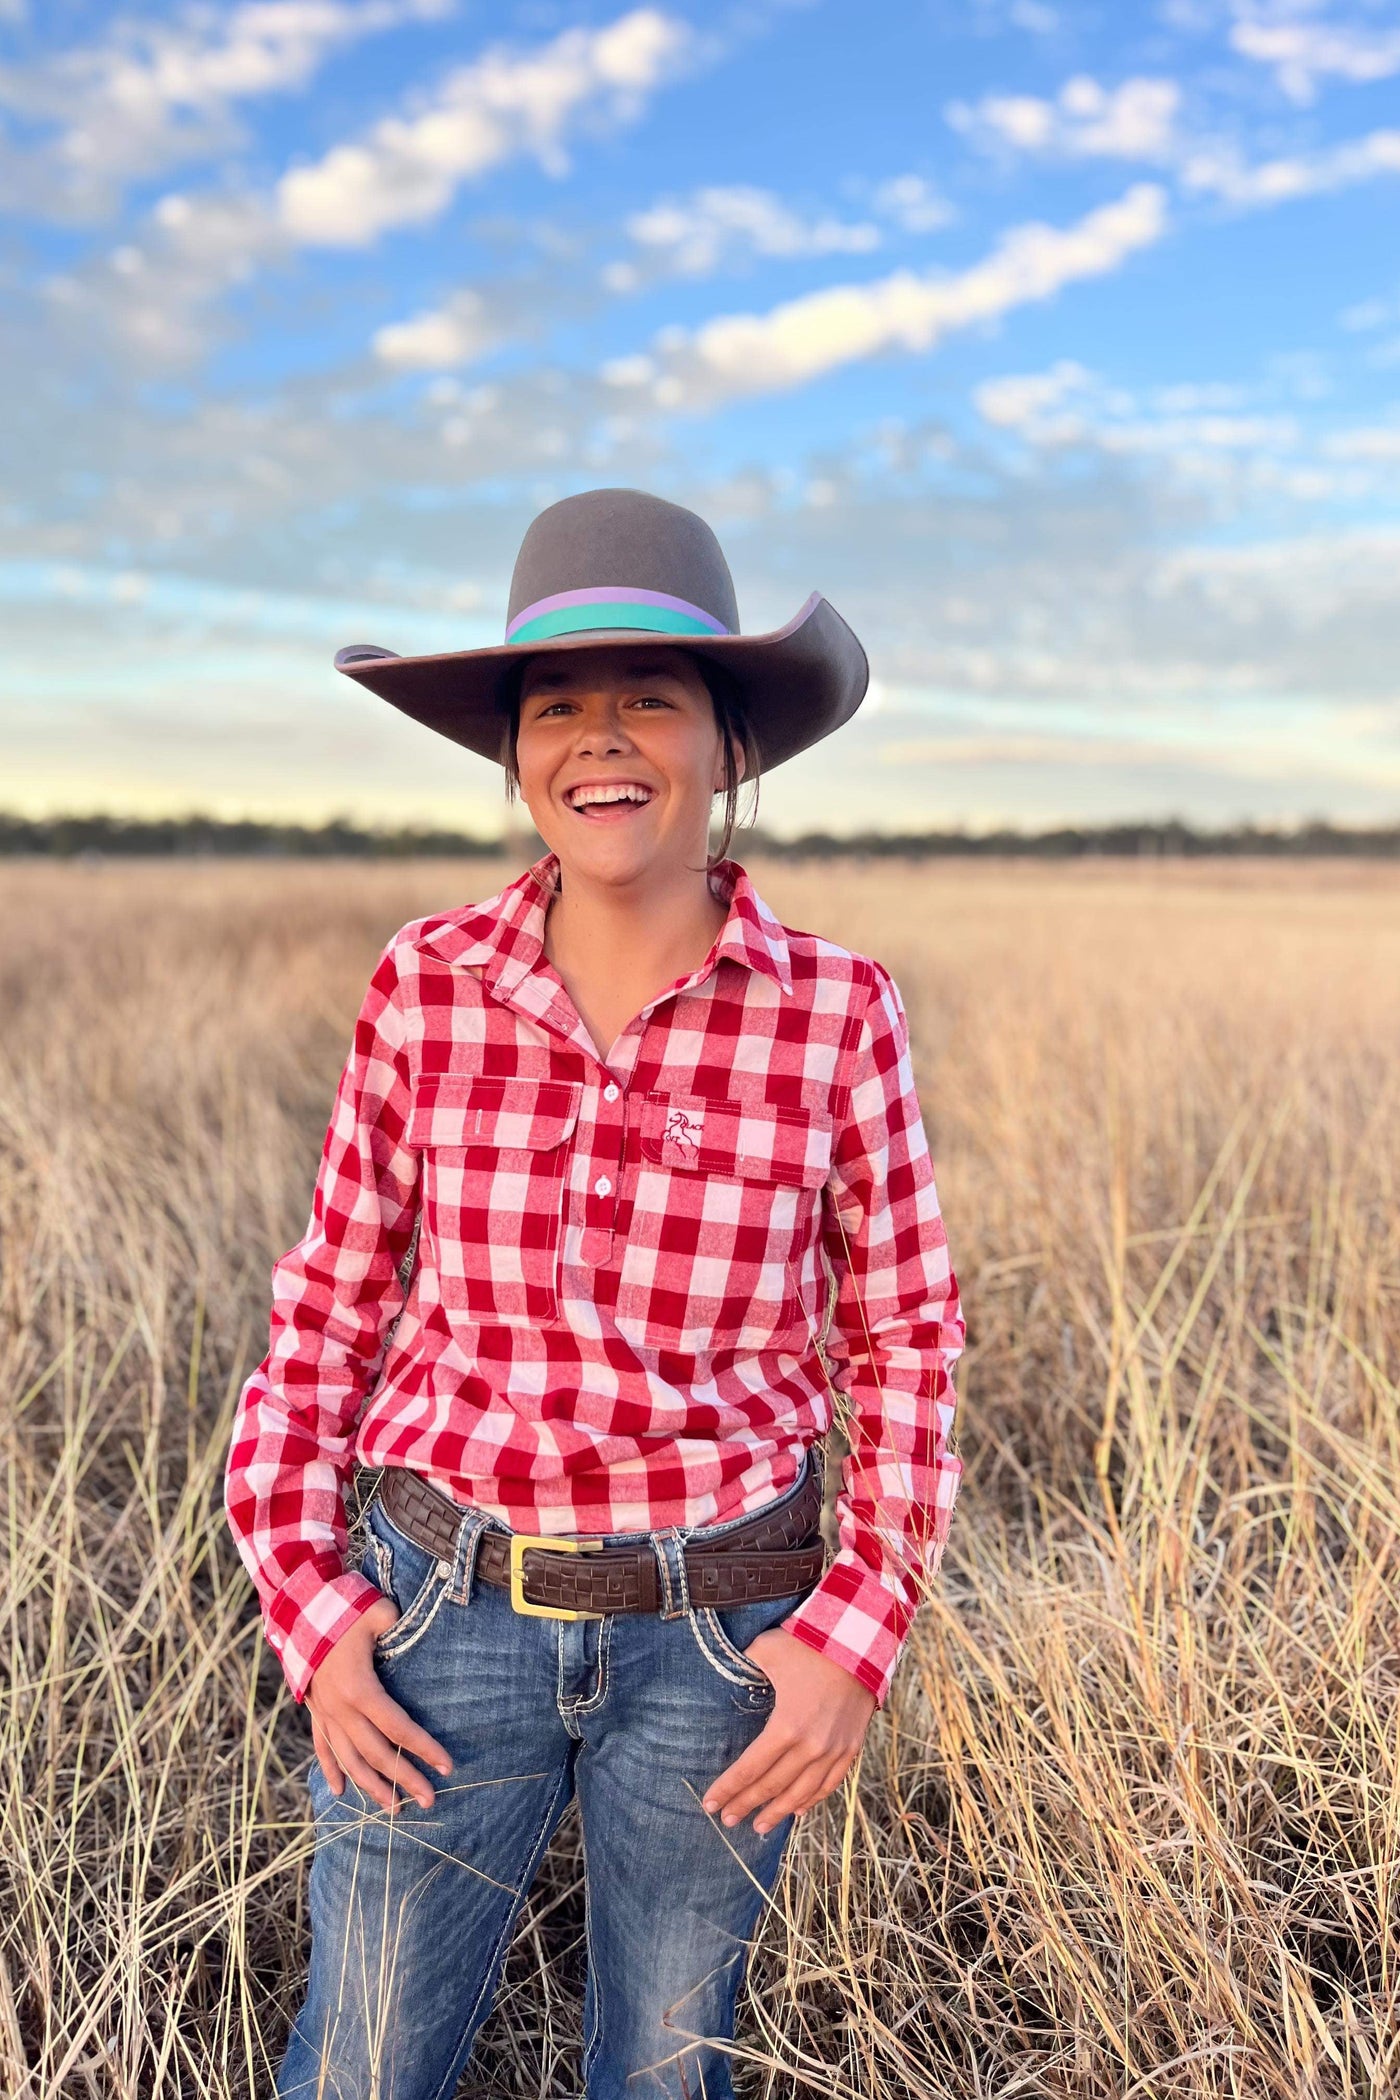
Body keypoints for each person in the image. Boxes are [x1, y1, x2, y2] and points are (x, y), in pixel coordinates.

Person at [223, 487, 965, 2100]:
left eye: (651, 698)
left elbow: (903, 1336)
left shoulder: (835, 1009)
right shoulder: (427, 982)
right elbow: (330, 1301)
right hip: (438, 1620)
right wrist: (317, 1611)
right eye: (557, 704)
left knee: (667, 2067)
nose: (601, 739)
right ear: (513, 754)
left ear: (727, 743)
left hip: (724, 1639)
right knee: (358, 2066)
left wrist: (852, 1637)